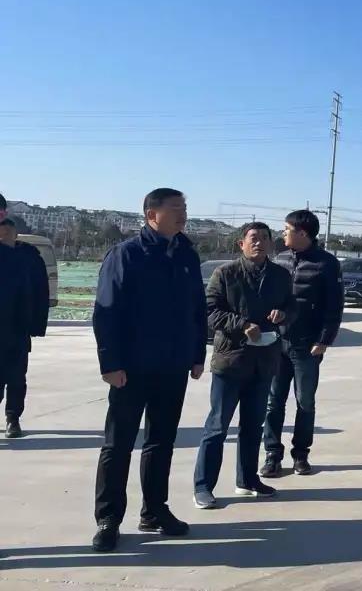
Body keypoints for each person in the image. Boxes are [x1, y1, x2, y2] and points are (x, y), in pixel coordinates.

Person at [91, 188, 207, 553]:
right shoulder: (126, 254)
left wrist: (197, 353)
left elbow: (197, 308)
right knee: (119, 444)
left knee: (161, 441)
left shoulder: (186, 254)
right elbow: (106, 311)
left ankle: (155, 510)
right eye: (175, 208)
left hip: (173, 365)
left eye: (184, 207)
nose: (183, 214)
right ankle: (109, 518)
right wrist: (110, 363)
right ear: (151, 214)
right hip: (132, 367)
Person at [193, 222, 296, 509]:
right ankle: (203, 486)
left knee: (253, 426)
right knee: (217, 426)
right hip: (231, 361)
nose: (259, 243)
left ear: (272, 245)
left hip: (264, 361)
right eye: (253, 238)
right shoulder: (225, 274)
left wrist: (283, 314)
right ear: (241, 244)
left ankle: (247, 480)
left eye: (264, 238)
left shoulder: (280, 275)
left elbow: (292, 306)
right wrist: (241, 325)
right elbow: (210, 311)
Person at [261, 209, 343, 478]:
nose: (283, 233)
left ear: (303, 233)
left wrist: (324, 340)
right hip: (277, 343)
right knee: (274, 402)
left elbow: (334, 307)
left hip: (307, 346)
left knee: (305, 402)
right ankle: (272, 454)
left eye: (287, 229)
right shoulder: (280, 259)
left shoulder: (327, 264)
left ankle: (301, 455)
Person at [0, 218, 49, 438]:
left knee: (17, 376)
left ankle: (13, 419)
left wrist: (38, 323)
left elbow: (41, 290)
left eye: (9, 229)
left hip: (19, 327)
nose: (5, 233)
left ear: (16, 232)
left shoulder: (29, 256)